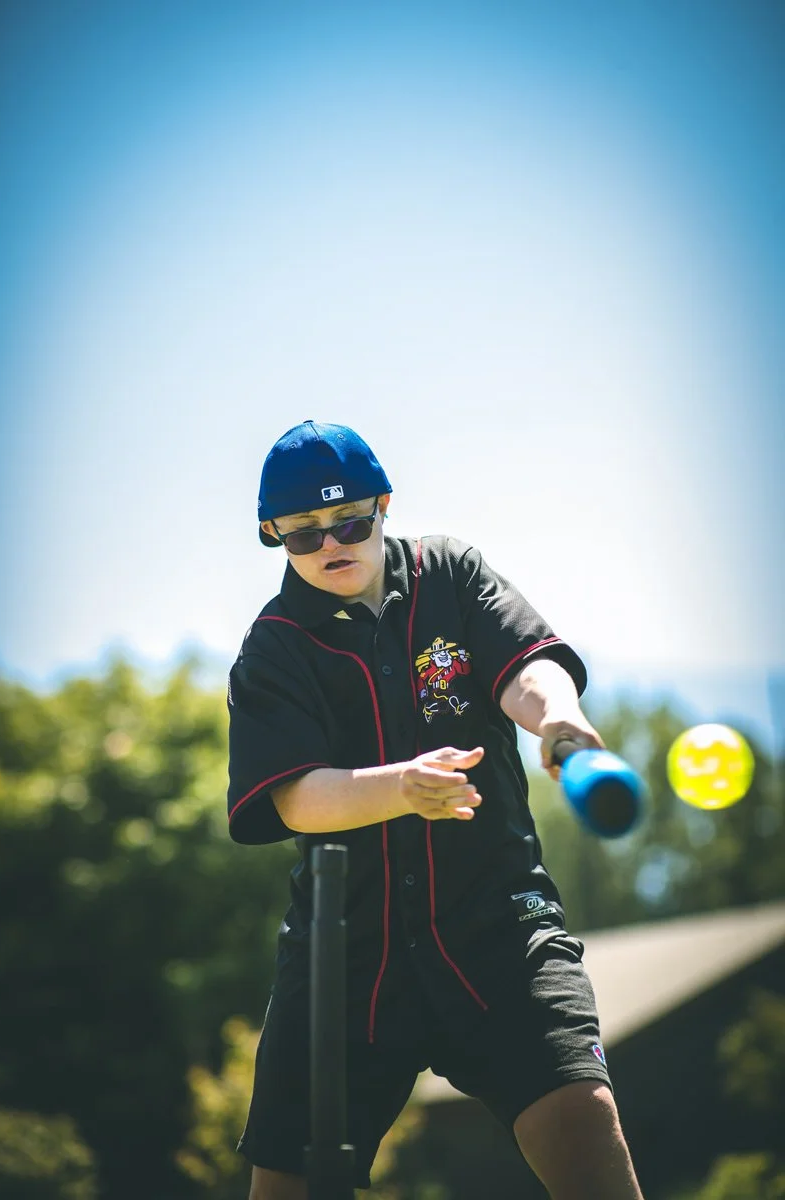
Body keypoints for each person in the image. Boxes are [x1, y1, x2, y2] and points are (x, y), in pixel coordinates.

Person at [227, 419, 645, 1200]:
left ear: (383, 506)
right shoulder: (273, 648)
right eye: (304, 532)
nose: (330, 543)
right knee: (287, 1188)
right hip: (343, 956)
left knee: (582, 1119)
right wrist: (402, 788)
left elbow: (527, 667)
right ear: (272, 534)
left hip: (500, 927)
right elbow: (293, 797)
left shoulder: (450, 573)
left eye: (350, 521)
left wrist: (558, 717)